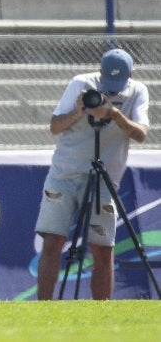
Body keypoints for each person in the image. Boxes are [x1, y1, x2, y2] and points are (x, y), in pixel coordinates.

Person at [35, 48, 149, 300]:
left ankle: (101, 311)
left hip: (104, 177)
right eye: (108, 83)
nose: (112, 91)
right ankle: (42, 307)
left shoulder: (138, 91)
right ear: (99, 72)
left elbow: (141, 134)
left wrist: (114, 114)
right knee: (52, 242)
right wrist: (79, 111)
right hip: (65, 173)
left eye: (118, 85)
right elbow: (54, 127)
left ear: (131, 74)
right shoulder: (81, 84)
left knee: (102, 248)